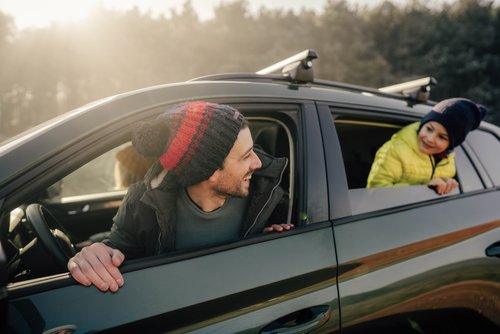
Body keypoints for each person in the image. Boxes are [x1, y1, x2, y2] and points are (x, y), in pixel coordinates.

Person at [68, 101, 293, 292]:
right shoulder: (143, 202)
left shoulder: (267, 190)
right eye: (246, 156)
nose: (259, 163)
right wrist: (93, 256)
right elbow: (117, 248)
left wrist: (272, 239)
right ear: (208, 172)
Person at [367, 98, 487, 194]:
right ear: (422, 125)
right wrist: (424, 188)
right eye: (429, 129)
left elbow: (442, 186)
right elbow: (376, 191)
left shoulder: (447, 158)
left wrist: (447, 185)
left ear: (451, 144)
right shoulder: (395, 151)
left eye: (442, 137)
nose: (430, 139)